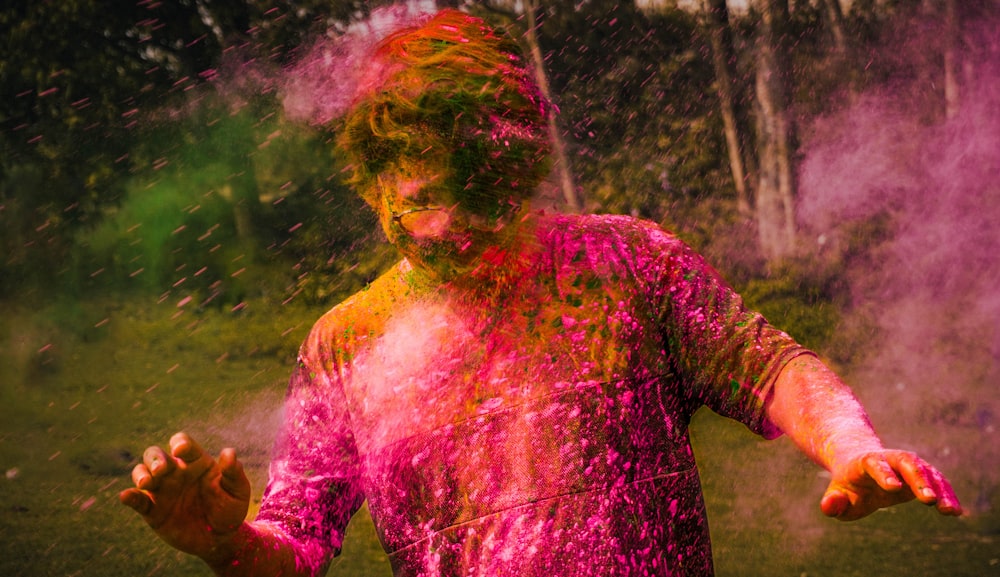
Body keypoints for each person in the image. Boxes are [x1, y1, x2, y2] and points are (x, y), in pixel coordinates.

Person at [120, 9, 962, 577]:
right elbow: (294, 539)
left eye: (480, 196)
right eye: (421, 198)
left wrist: (851, 444)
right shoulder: (344, 343)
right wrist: (228, 541)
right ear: (373, 184)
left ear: (519, 170)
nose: (451, 226)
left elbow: (770, 365)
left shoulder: (628, 264)